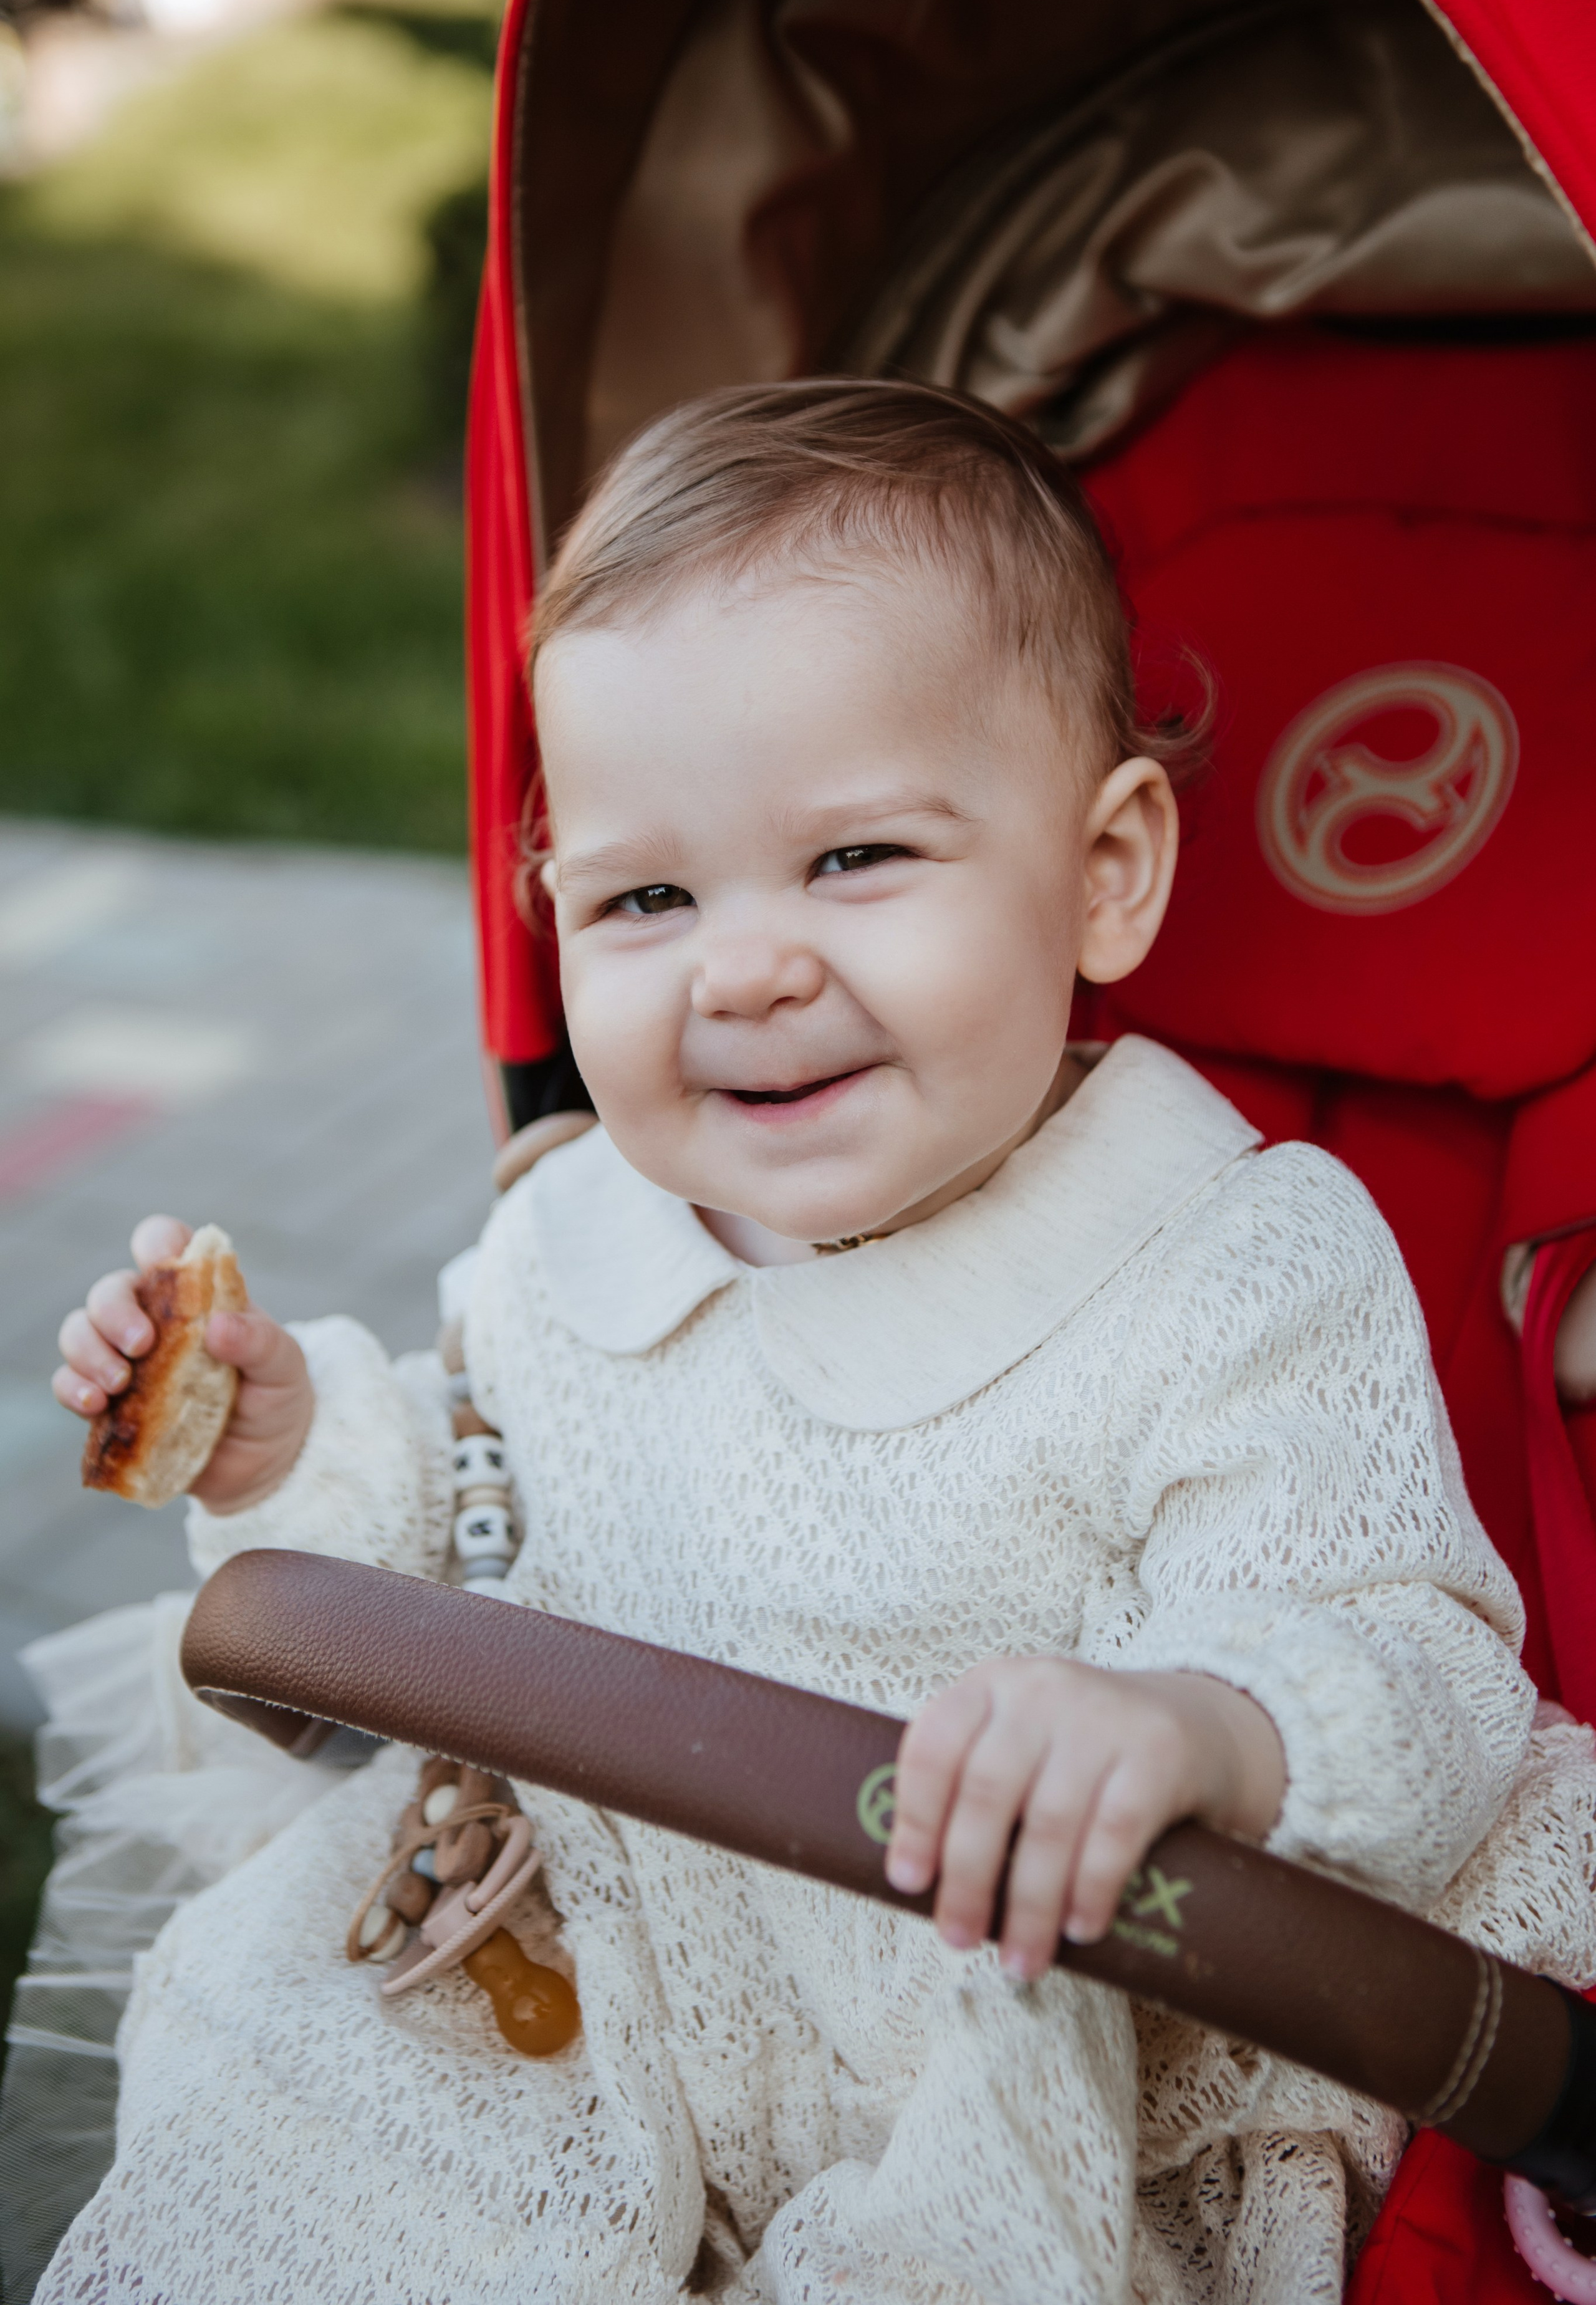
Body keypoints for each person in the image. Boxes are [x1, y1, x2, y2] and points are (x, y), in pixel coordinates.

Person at [44, 381, 1596, 2303]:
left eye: (855, 859)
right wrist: (285, 1454)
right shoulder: (571, 1230)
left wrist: (1194, 1723)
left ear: (1106, 870)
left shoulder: (1225, 1265)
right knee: (280, 2162)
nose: (745, 964)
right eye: (649, 895)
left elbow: (1403, 1649)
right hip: (593, 2022)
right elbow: (466, 1527)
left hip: (1013, 2075)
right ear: (554, 909)